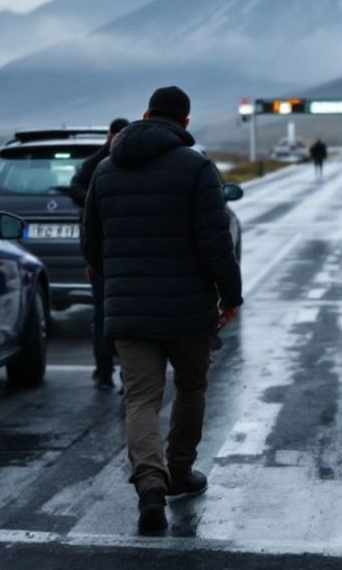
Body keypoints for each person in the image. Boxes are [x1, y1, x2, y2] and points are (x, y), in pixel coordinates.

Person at [81, 86, 242, 535]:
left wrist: (113, 278)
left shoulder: (107, 170)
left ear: (145, 115)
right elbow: (216, 244)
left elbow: (91, 242)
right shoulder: (196, 168)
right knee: (191, 388)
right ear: (185, 123)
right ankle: (180, 471)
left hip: (129, 308)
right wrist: (230, 296)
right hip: (188, 308)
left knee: (141, 397)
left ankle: (150, 487)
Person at [68, 117, 130, 390]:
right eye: (113, 135)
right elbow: (77, 193)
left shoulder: (100, 166)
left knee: (116, 315)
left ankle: (124, 371)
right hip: (107, 255)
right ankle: (105, 369)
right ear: (109, 136)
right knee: (106, 313)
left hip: (112, 253)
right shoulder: (98, 165)